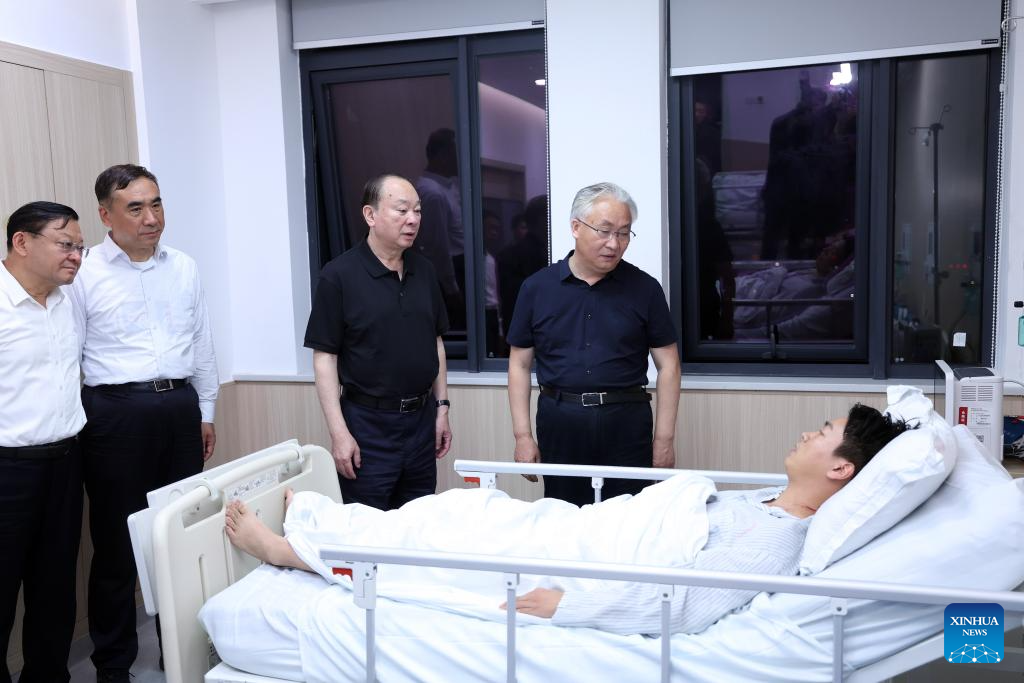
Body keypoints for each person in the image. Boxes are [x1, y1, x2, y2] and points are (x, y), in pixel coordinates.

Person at [222, 403, 911, 638]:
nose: (808, 433)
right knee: (464, 509)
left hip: (587, 560)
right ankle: (328, 526)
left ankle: (296, 550)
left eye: (824, 432)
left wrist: (572, 602)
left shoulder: (778, 538)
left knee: (450, 535)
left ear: (841, 469)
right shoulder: (767, 504)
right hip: (587, 530)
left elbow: (685, 600)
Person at [69, 164, 219, 683]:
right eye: (135, 207)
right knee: (117, 544)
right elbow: (68, 353)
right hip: (114, 413)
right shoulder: (84, 272)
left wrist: (205, 410)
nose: (151, 217)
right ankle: (113, 664)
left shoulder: (184, 267)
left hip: (179, 407)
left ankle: (181, 652)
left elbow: (201, 341)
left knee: (180, 537)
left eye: (156, 204)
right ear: (105, 214)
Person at [506, 182, 680, 505]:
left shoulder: (645, 289)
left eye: (624, 233)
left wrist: (664, 439)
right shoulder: (536, 288)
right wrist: (523, 436)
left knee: (629, 517)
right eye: (605, 231)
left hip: (627, 422)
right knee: (564, 516)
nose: (614, 243)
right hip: (561, 421)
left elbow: (669, 365)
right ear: (576, 227)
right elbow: (519, 364)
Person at [304, 174, 452, 511]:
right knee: (367, 526)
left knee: (418, 521)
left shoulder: (425, 271)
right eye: (402, 210)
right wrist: (339, 433)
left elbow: (436, 343)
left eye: (417, 211)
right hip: (367, 426)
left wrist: (441, 408)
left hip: (421, 421)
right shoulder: (339, 276)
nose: (413, 219)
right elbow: (325, 358)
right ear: (370, 215)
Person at [0, 202, 86, 683]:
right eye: (65, 244)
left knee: (55, 592)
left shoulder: (65, 301)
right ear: (22, 242)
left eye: (80, 247)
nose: (75, 256)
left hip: (64, 463)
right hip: (7, 470)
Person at [414, 128, 464, 330]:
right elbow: (437, 247)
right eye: (457, 153)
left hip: (458, 266)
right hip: (450, 271)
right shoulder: (432, 192)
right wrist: (451, 288)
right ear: (443, 155)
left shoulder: (450, 185)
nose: (461, 159)